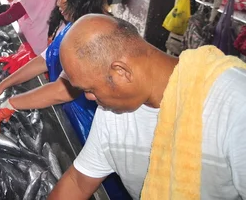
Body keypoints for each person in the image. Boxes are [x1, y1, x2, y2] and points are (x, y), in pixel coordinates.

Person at [49, 15, 246, 200]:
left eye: (90, 89)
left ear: (121, 72)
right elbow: (78, 182)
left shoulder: (235, 103)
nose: (88, 98)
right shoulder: (111, 113)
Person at [0, 0, 107, 141]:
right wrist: (2, 86)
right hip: (71, 112)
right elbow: (44, 60)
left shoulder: (94, 33)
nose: (58, 2)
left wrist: (13, 103)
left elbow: (64, 90)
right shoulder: (73, 25)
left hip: (90, 122)